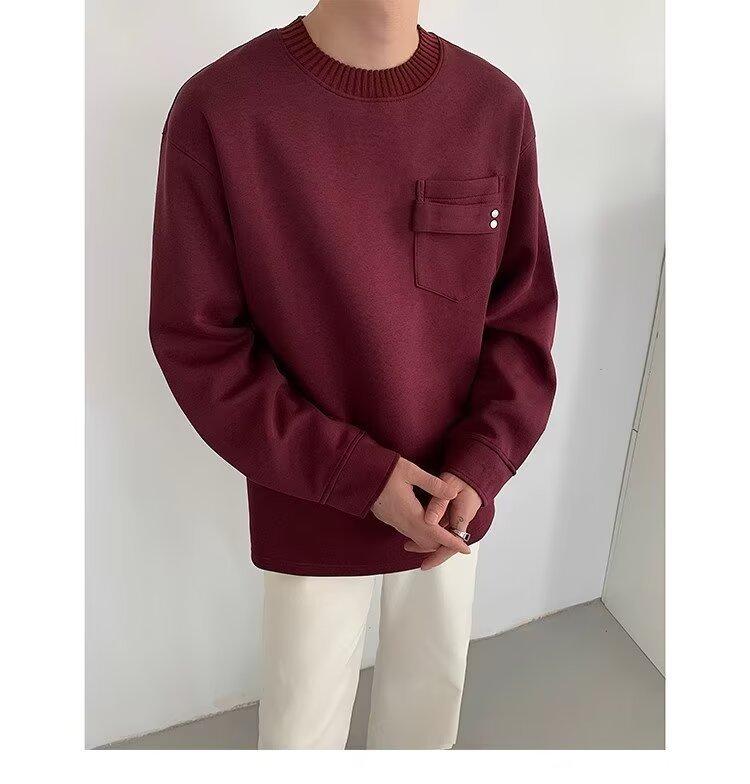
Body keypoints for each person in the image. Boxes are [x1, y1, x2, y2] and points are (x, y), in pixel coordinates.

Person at [149, 0, 557, 750]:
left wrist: (482, 461)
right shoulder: (222, 109)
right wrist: (356, 475)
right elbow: (199, 341)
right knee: (301, 733)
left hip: (450, 498)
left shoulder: (493, 107)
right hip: (310, 497)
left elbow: (519, 318)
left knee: (427, 718)